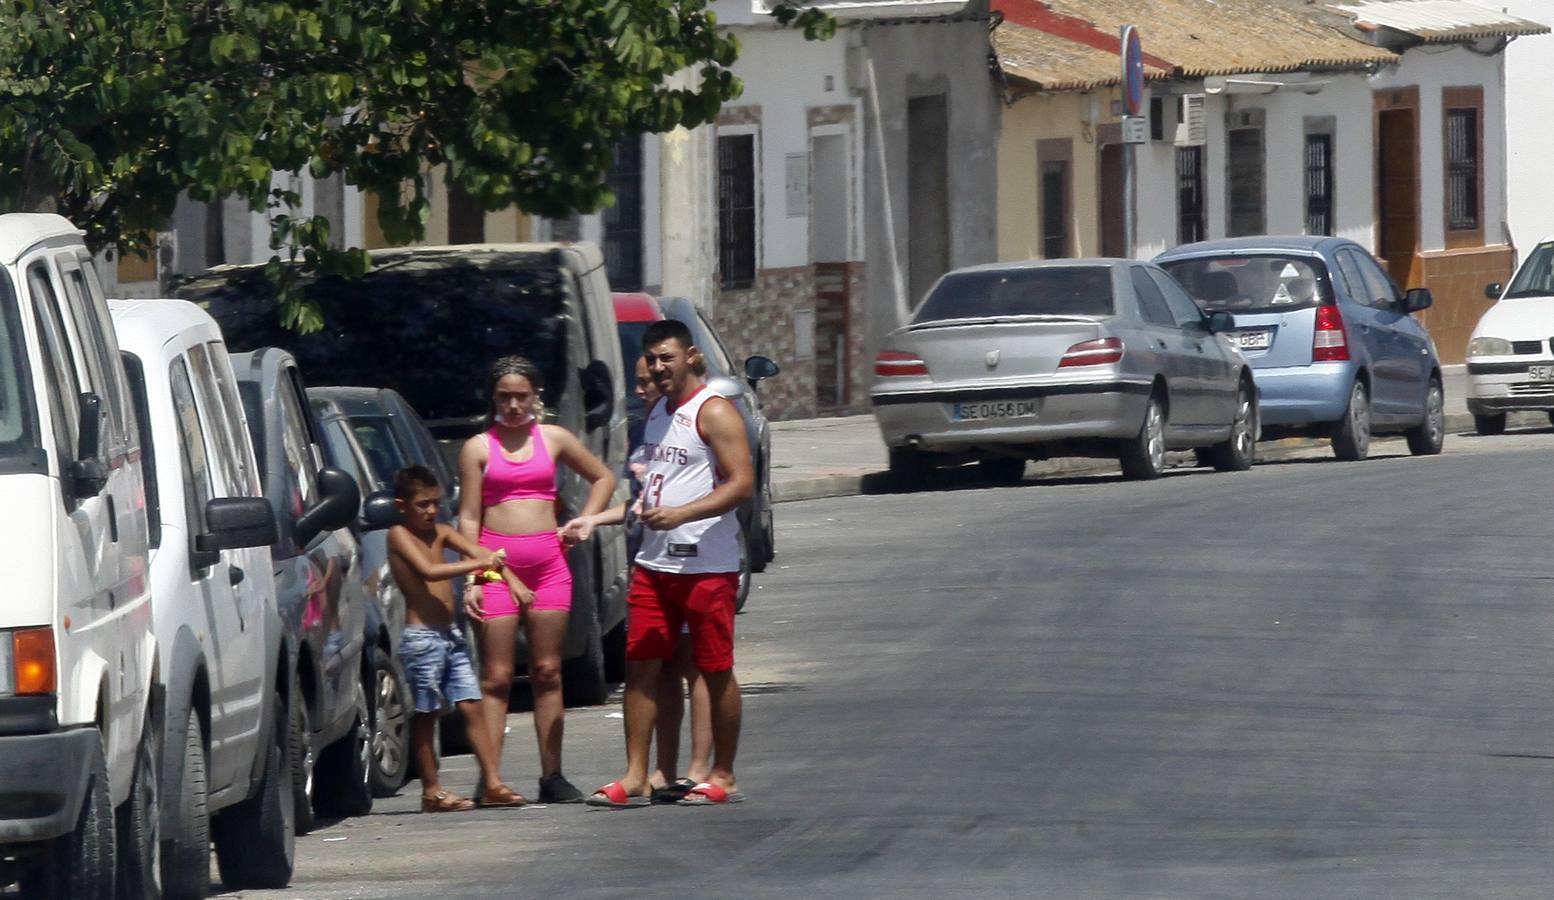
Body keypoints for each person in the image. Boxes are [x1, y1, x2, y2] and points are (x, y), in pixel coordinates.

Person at [586, 319, 752, 808]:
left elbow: (741, 484)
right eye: (653, 359)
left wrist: (682, 513)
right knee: (641, 667)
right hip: (653, 564)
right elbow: (649, 489)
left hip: (706, 564)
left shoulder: (714, 411)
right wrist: (601, 518)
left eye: (668, 357)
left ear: (691, 356)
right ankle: (637, 774)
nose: (659, 368)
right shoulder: (657, 412)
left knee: (715, 667)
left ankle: (722, 773)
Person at [458, 356, 616, 804]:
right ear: (493, 397)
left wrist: (584, 521)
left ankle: (552, 775)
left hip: (549, 565)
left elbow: (603, 476)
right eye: (504, 396)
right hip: (496, 566)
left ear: (536, 397)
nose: (512, 405)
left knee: (548, 670)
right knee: (498, 676)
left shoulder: (554, 438)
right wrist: (475, 576)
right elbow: (469, 517)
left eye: (521, 396)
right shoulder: (478, 448)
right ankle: (491, 779)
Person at [562, 355, 713, 804]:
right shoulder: (651, 424)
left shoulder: (700, 417)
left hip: (693, 561)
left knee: (695, 665)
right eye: (640, 382)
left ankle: (699, 770)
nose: (643, 389)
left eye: (648, 382)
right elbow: (641, 501)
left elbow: (715, 487)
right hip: (651, 561)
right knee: (657, 667)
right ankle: (656, 772)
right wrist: (593, 521)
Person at [386, 464, 530, 812]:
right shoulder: (398, 535)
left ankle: (493, 782)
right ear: (403, 505)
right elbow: (429, 571)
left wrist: (509, 578)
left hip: (450, 635)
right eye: (422, 504)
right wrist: (478, 567)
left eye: (435, 502)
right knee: (427, 712)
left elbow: (483, 555)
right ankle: (432, 791)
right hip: (422, 638)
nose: (431, 511)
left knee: (472, 705)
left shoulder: (443, 532)